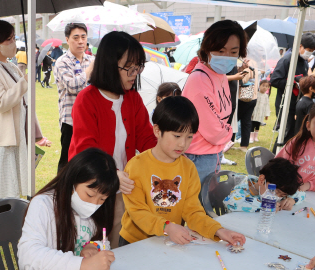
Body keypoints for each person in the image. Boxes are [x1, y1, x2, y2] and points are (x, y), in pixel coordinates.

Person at [119, 96, 246, 248]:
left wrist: (218, 231)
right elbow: (137, 212)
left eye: (189, 137)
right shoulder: (136, 166)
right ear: (158, 131)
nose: (183, 144)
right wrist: (167, 227)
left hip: (169, 242)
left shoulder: (188, 168)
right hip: (135, 243)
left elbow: (193, 212)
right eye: (177, 136)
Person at [68, 31, 157, 247]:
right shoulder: (87, 99)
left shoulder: (133, 99)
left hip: (120, 187)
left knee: (113, 242)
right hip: (91, 188)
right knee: (88, 243)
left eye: (138, 67)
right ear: (110, 64)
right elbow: (85, 149)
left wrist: (165, 153)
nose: (134, 73)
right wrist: (113, 174)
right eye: (130, 67)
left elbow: (146, 139)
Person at [17, 148, 118, 270]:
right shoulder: (43, 204)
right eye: (90, 195)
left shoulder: (98, 210)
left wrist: (94, 246)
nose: (94, 204)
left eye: (102, 199)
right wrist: (82, 264)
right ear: (72, 180)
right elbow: (28, 257)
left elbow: (102, 240)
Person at [0, 19, 47, 201]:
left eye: (13, 38)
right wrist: (24, 82)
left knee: (20, 191)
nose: (13, 44)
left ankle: (17, 224)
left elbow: (25, 103)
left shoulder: (10, 66)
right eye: (8, 40)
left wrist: (36, 134)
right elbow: (0, 103)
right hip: (3, 142)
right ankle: (3, 227)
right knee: (4, 195)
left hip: (19, 139)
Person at [182, 20, 249, 183]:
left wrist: (224, 130)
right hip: (198, 158)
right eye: (220, 50)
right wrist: (227, 132)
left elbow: (222, 118)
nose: (227, 57)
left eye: (234, 52)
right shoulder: (200, 79)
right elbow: (214, 131)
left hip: (212, 155)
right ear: (207, 49)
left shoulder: (219, 75)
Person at [54, 22, 94, 173]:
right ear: (67, 39)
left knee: (89, 160)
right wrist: (89, 71)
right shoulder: (62, 62)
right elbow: (73, 86)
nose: (80, 41)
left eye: (83, 37)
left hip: (90, 119)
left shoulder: (92, 60)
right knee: (67, 163)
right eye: (76, 37)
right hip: (70, 120)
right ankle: (61, 193)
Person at [271, 32, 315, 143]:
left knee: (296, 133)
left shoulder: (304, 62)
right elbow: (274, 80)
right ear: (300, 45)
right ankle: (276, 156)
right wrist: (294, 83)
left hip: (298, 104)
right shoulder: (287, 60)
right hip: (285, 103)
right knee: (285, 133)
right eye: (309, 49)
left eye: (312, 51)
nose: (310, 53)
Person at [223, 158, 305, 212]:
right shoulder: (243, 190)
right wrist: (264, 206)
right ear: (261, 180)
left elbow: (301, 193)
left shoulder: (281, 187)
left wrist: (292, 200)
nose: (277, 197)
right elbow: (229, 202)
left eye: (282, 195)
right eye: (276, 192)